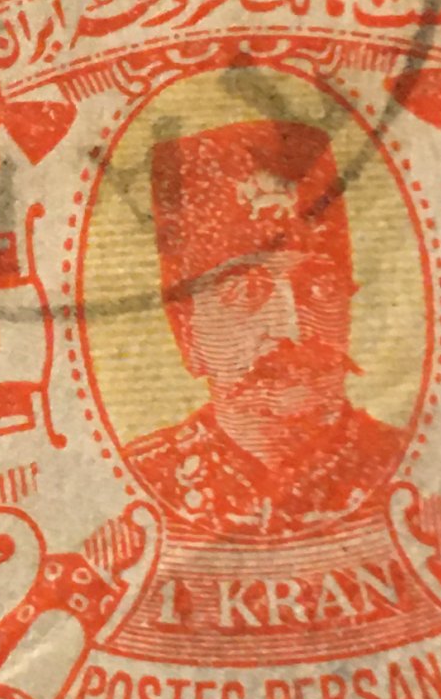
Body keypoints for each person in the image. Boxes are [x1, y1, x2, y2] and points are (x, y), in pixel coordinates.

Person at [121, 118, 404, 537]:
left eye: (316, 286)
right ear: (187, 332)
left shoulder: (407, 462)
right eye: (247, 292)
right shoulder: (139, 481)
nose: (290, 327)